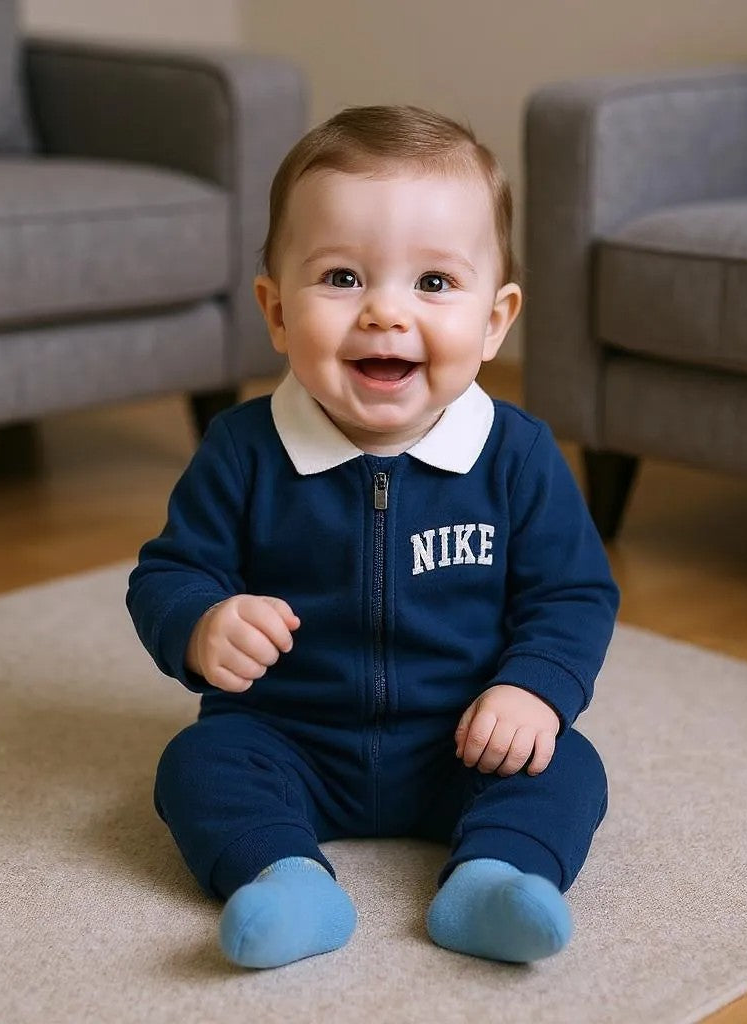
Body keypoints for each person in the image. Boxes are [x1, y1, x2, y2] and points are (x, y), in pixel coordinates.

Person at [126, 105, 619, 970]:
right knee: (195, 765)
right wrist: (202, 624)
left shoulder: (517, 456)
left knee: (569, 767)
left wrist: (533, 692)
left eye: (434, 283)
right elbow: (170, 571)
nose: (386, 313)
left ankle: (492, 880)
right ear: (277, 311)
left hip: (462, 740)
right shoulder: (243, 450)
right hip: (287, 737)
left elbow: (573, 593)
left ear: (495, 319)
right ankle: (285, 880)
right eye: (343, 277)